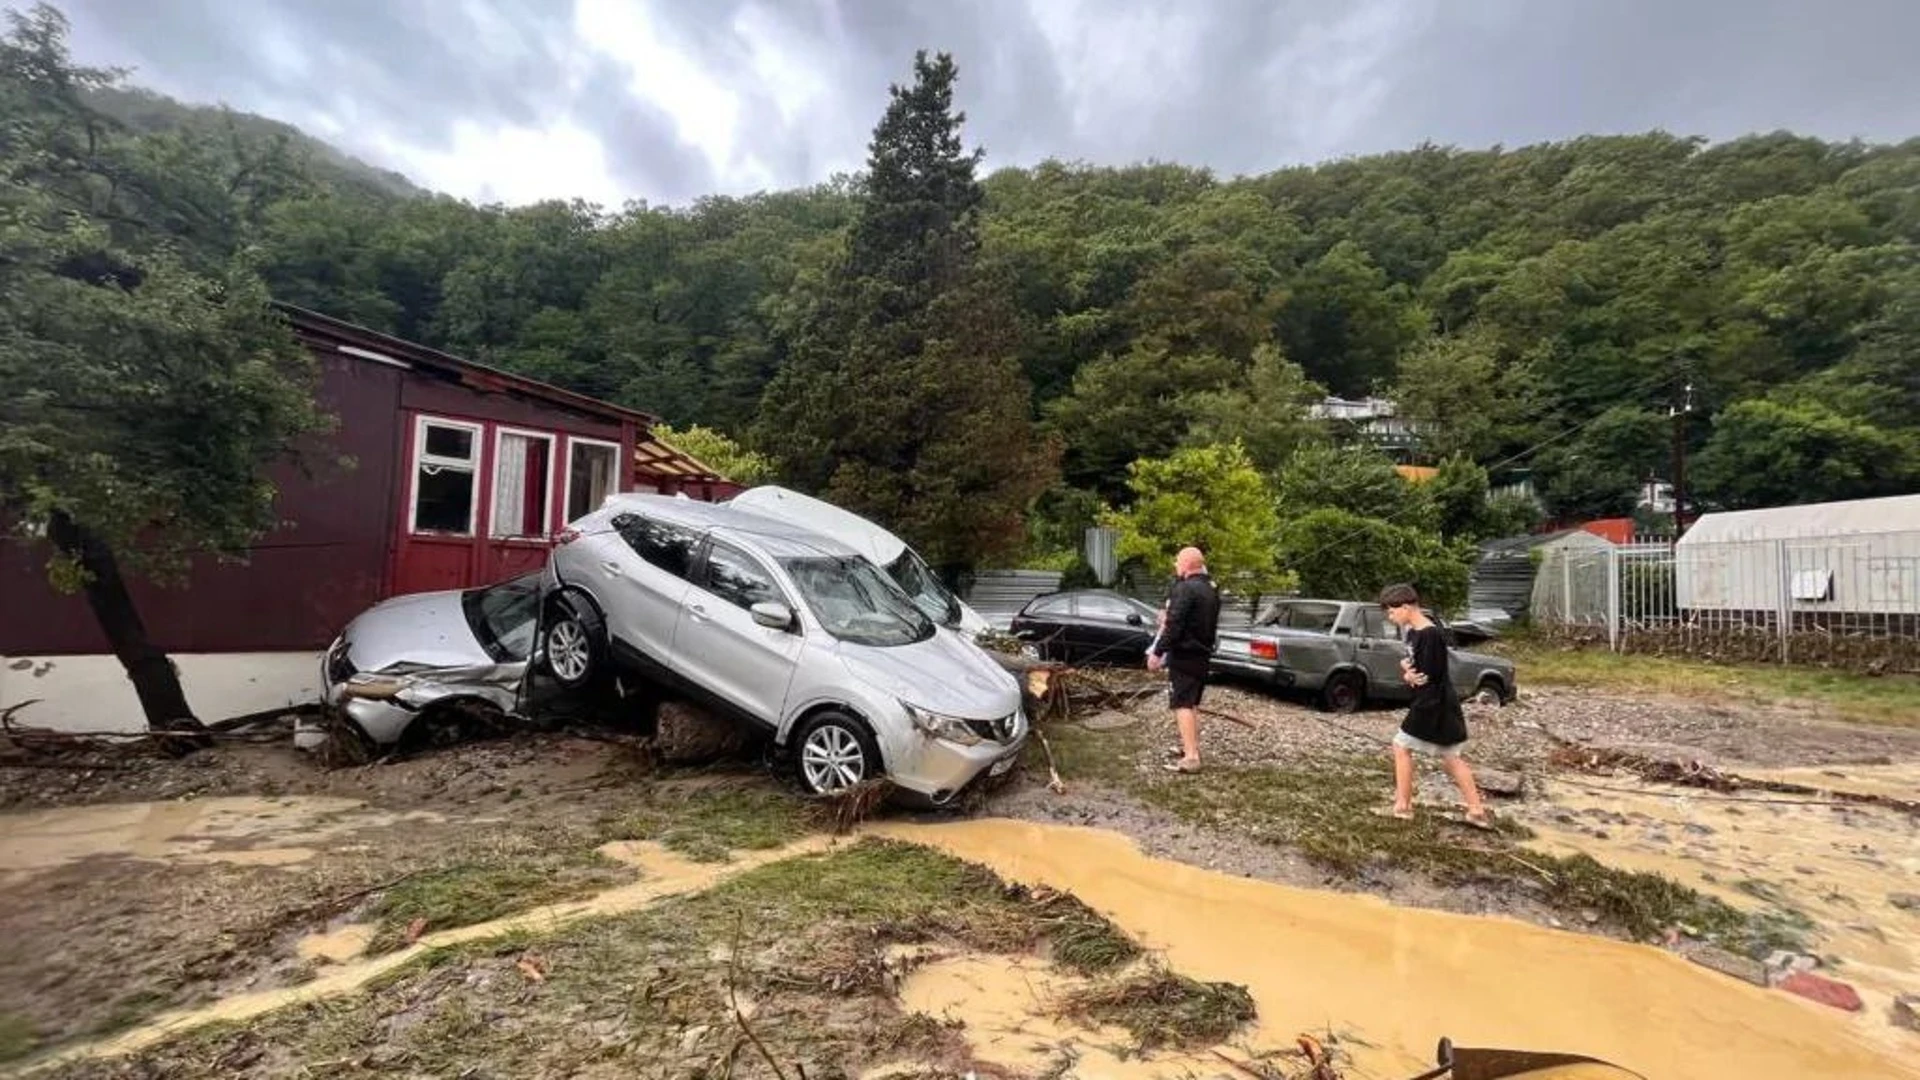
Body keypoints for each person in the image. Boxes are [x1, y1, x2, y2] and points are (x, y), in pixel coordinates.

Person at [1379, 582, 1491, 828]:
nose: (1390, 616)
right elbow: (1412, 663)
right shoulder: (1413, 632)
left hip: (1433, 702)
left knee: (1401, 746)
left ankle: (1403, 806)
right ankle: (1476, 811)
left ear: (1406, 606)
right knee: (1450, 755)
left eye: (1392, 611)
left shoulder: (1430, 634)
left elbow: (1426, 675)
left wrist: (1410, 675)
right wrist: (1405, 668)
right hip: (1432, 700)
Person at [1147, 547, 1220, 774]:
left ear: (1188, 564)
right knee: (1191, 703)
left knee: (1181, 704)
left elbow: (1175, 625)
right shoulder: (1211, 589)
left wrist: (1157, 652)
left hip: (1185, 655)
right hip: (1202, 655)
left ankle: (1191, 758)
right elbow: (1191, 619)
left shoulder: (1186, 589)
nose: (1175, 565)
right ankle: (1191, 748)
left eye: (1178, 561)